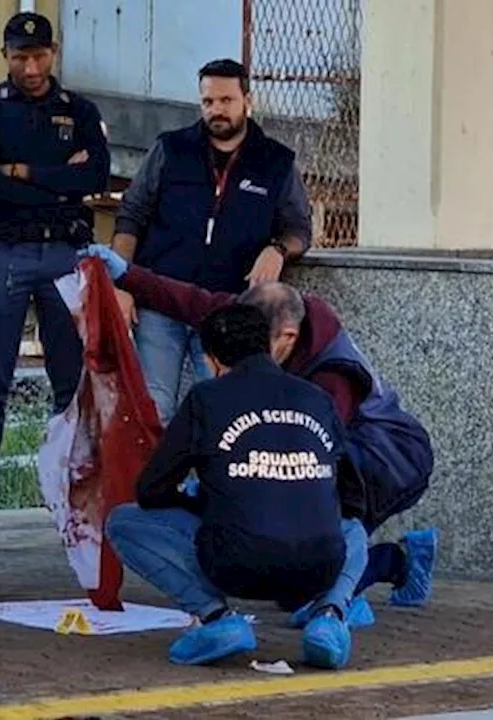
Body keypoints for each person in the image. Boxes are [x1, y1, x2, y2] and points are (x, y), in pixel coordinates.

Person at [81, 244, 438, 617]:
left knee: (307, 577)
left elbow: (322, 464)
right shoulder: (254, 320)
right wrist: (124, 273)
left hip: (385, 461)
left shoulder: (333, 379)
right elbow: (190, 301)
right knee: (291, 556)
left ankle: (396, 562)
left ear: (287, 336)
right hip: (335, 458)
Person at [105, 303, 368, 669]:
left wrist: (201, 505)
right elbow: (354, 496)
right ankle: (329, 618)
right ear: (270, 344)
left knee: (123, 521)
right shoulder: (316, 398)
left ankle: (218, 620)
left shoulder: (206, 399)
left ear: (211, 360)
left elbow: (151, 490)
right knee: (354, 531)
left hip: (235, 564)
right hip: (316, 567)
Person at [0, 11, 110, 553]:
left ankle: (76, 513)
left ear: (54, 52)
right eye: (21, 56)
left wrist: (22, 172)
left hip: (65, 254)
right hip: (5, 252)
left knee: (71, 389)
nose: (31, 66)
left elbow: (94, 178)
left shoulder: (79, 111)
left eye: (39, 55)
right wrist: (56, 181)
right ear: (6, 56)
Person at [108, 58, 313, 425]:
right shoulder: (171, 150)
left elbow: (300, 229)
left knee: (227, 414)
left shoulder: (276, 162)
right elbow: (131, 215)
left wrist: (278, 249)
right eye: (207, 102)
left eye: (225, 100)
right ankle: (157, 483)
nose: (216, 110)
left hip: (227, 309)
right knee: (153, 412)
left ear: (247, 101)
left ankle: (212, 484)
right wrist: (121, 283)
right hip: (160, 302)